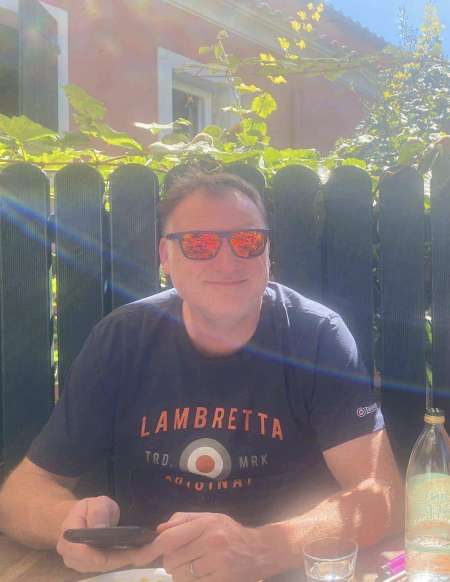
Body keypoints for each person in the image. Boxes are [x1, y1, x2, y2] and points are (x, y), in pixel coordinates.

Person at [0, 171, 402, 581]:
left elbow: (383, 496)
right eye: (199, 244)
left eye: (248, 241)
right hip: (147, 570)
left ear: (267, 251)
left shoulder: (315, 336)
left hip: (284, 571)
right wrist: (68, 523)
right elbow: (19, 496)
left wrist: (260, 549)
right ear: (165, 256)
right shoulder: (123, 339)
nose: (227, 262)